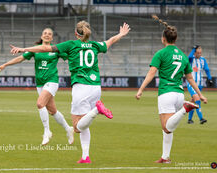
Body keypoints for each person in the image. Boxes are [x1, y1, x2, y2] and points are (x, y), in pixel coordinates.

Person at [10, 21, 130, 163]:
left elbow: (44, 48)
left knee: (77, 127)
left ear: (75, 33)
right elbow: (110, 41)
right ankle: (85, 156)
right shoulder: (95, 45)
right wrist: (121, 34)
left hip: (81, 87)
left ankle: (97, 110)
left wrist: (23, 49)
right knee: (84, 123)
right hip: (96, 87)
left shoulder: (71, 45)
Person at [136, 15, 207, 163]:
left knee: (166, 127)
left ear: (163, 39)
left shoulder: (161, 53)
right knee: (168, 128)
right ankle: (165, 157)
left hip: (166, 93)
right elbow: (190, 78)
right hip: (179, 93)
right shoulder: (182, 56)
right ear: (175, 39)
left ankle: (185, 109)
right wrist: (200, 94)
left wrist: (141, 89)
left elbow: (151, 73)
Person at [0, 28, 74, 146]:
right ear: (42, 36)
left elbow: (70, 57)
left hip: (52, 81)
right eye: (45, 33)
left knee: (40, 104)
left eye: (49, 34)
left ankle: (47, 132)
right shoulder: (35, 50)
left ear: (52, 38)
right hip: (40, 83)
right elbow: (20, 58)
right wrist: (5, 64)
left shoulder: (56, 50)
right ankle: (68, 129)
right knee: (52, 111)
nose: (47, 35)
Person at [186, 45, 213, 124]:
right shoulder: (191, 59)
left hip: (200, 84)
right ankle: (201, 118)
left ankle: (189, 119)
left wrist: (210, 78)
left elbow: (207, 69)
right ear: (195, 53)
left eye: (200, 53)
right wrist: (194, 48)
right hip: (191, 83)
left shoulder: (203, 60)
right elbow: (189, 57)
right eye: (197, 53)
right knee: (197, 100)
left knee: (193, 102)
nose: (199, 54)